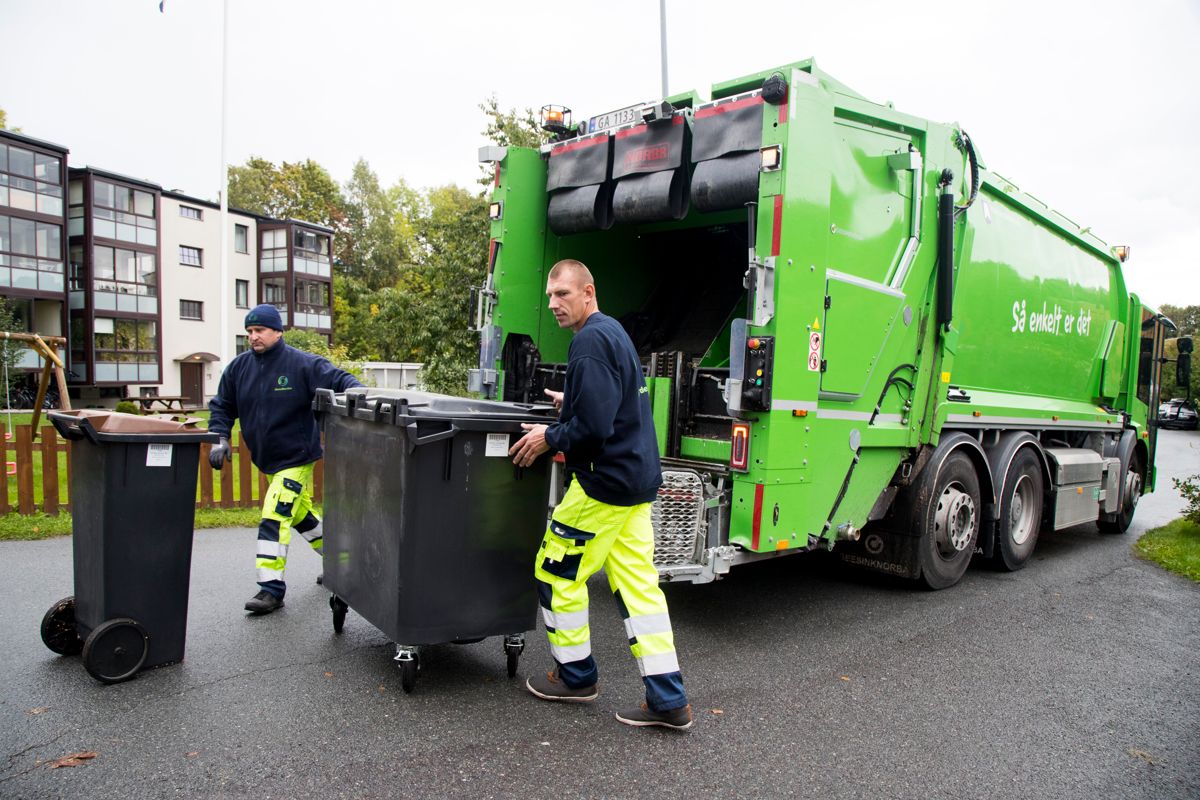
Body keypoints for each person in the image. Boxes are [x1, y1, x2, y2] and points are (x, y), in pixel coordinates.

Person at [508, 259, 692, 730]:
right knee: (639, 591)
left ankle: (576, 677)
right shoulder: (612, 332)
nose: (554, 304)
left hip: (603, 485)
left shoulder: (588, 341)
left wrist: (549, 437)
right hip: (635, 482)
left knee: (554, 573)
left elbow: (592, 431)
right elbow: (614, 401)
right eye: (550, 296)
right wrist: (570, 405)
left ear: (588, 292)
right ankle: (669, 700)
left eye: (563, 294)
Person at [208, 303, 361, 615]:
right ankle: (343, 564)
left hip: (297, 457)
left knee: (274, 516)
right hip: (267, 460)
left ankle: (271, 588)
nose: (253, 336)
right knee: (302, 516)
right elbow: (222, 406)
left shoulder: (301, 364)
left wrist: (357, 392)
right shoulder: (238, 369)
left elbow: (340, 378)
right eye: (249, 331)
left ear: (277, 331)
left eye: (260, 330)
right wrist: (220, 438)